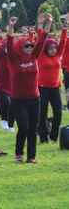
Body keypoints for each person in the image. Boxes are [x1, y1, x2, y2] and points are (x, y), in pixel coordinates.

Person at [7, 15, 51, 164]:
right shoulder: (14, 59)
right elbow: (9, 42)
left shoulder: (34, 56)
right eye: (26, 46)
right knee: (24, 127)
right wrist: (11, 26)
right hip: (18, 99)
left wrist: (47, 23)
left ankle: (31, 156)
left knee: (33, 128)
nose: (30, 48)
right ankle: (19, 153)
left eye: (31, 46)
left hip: (34, 98)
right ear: (20, 47)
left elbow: (43, 38)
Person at [37, 14, 67, 143]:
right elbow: (41, 39)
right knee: (42, 115)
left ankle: (54, 136)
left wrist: (65, 26)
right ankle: (44, 137)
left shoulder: (58, 54)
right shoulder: (40, 55)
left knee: (58, 113)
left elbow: (63, 40)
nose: (54, 49)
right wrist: (42, 24)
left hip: (55, 88)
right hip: (42, 88)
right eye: (51, 47)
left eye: (55, 47)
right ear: (46, 48)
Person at [0, 32, 14, 131]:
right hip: (1, 85)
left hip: (13, 86)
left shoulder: (13, 59)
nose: (7, 50)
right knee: (6, 103)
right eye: (5, 49)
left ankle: (10, 124)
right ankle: (4, 121)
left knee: (12, 106)